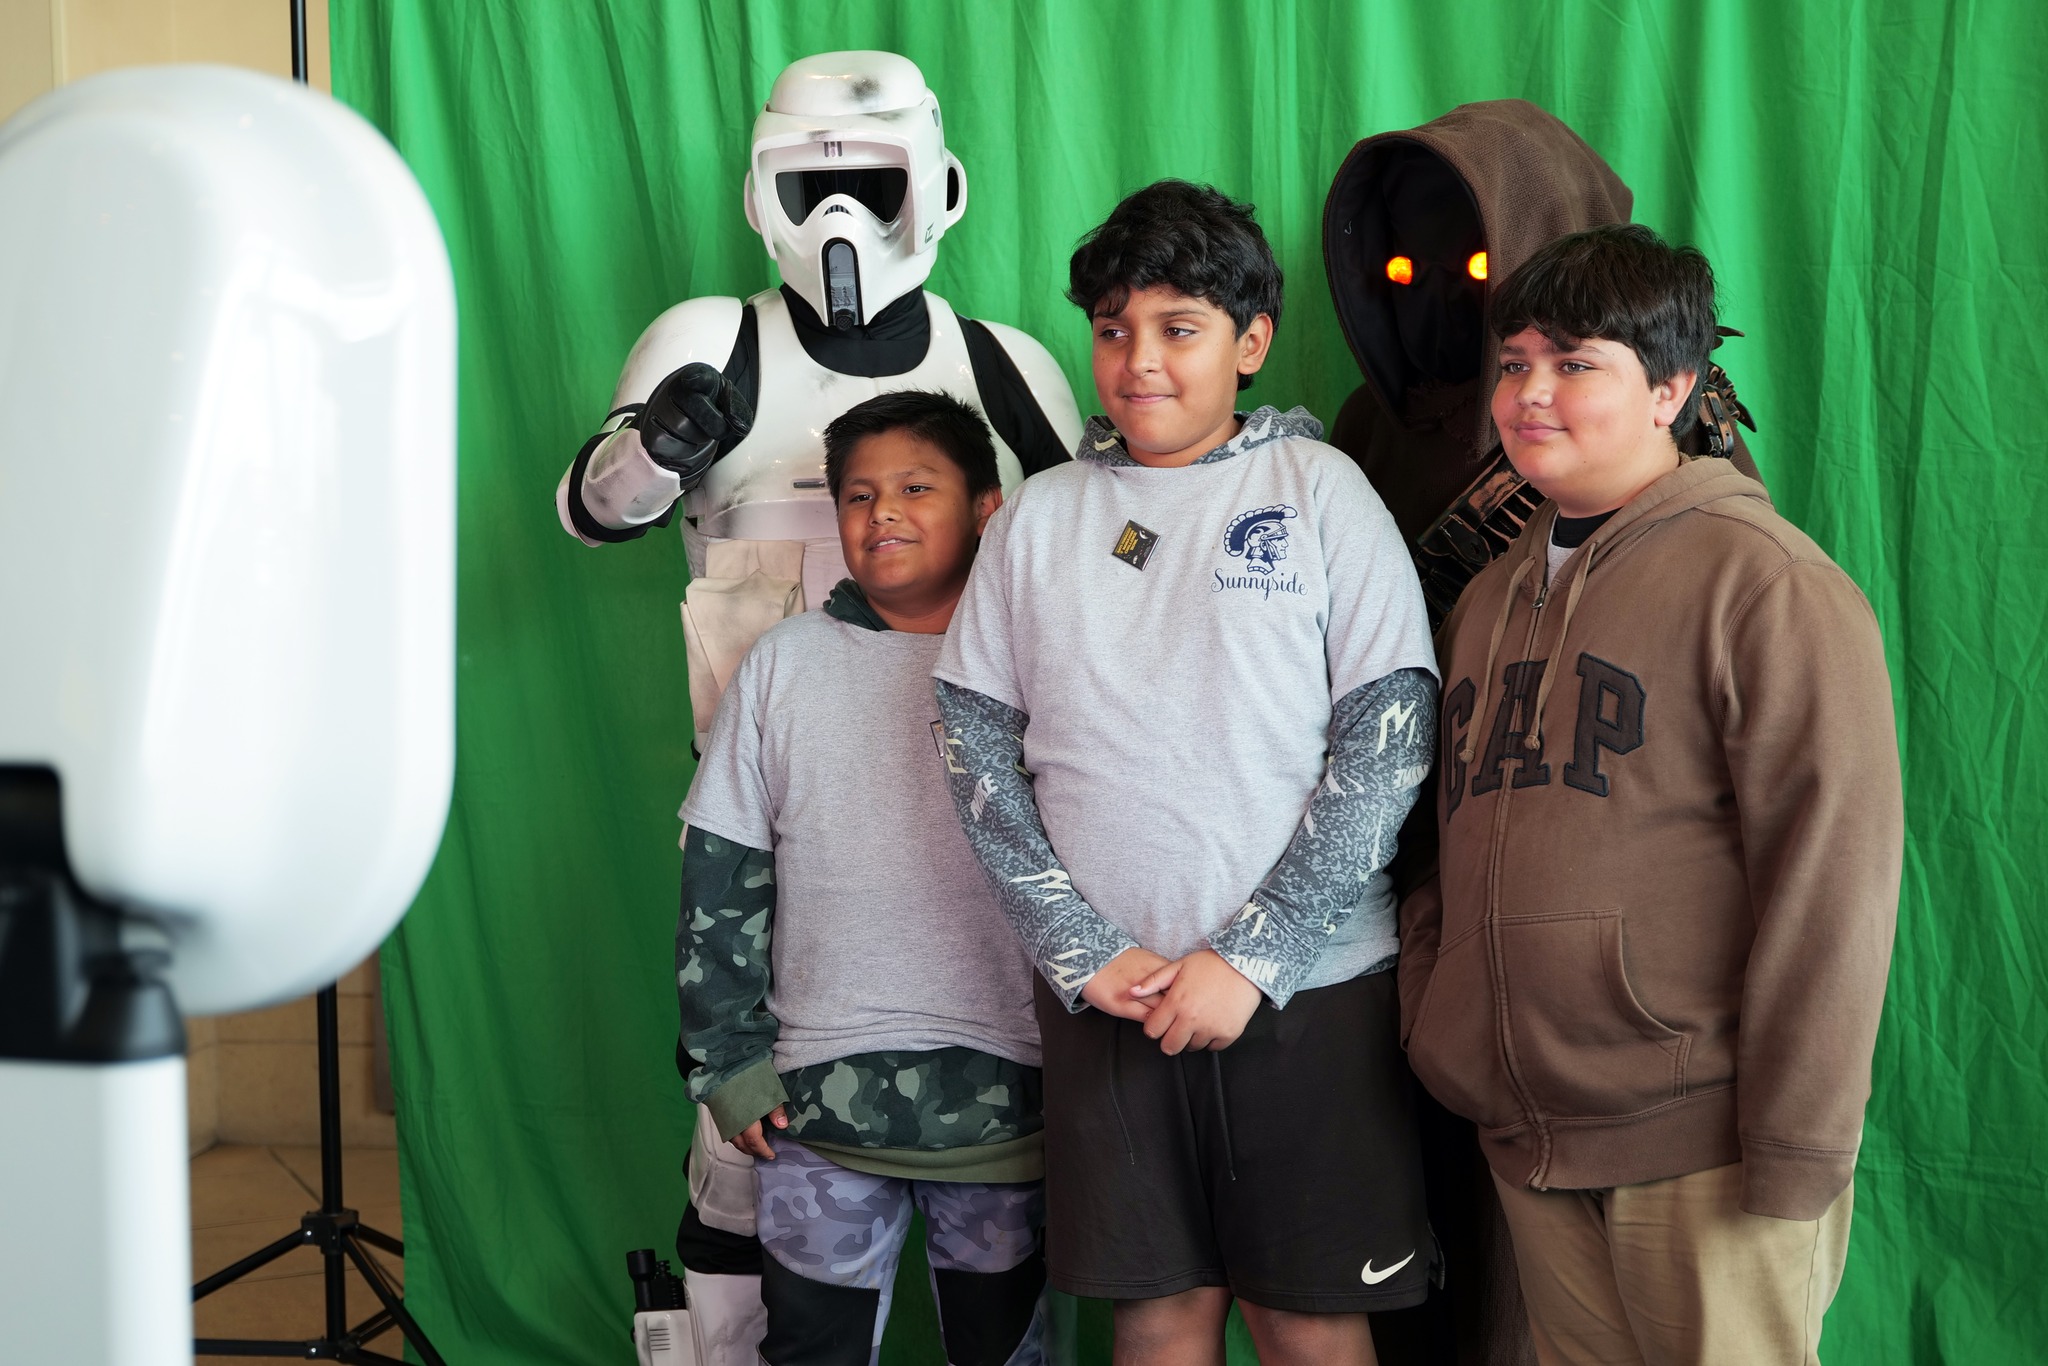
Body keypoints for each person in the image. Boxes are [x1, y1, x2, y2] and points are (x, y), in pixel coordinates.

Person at [553, 51, 1080, 1358]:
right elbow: (593, 511)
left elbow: (1092, 571)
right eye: (812, 185)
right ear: (761, 192)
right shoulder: (707, 341)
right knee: (742, 1166)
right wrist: (659, 444)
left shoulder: (1003, 364)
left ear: (939, 190)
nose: (840, 219)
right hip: (760, 805)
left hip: (976, 826)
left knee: (1008, 1209)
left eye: (869, 183)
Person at [935, 180, 1439, 1366]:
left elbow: (1388, 735)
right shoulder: (1039, 520)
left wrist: (1251, 957)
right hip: (1111, 1001)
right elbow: (971, 746)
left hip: (1310, 997)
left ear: (1248, 342)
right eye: (1112, 329)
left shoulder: (1319, 494)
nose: (1137, 361)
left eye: (1177, 328)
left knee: (1308, 1318)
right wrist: (1081, 949)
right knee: (1157, 1317)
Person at [1402, 222, 1902, 1365]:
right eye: (1516, 362)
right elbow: (1445, 837)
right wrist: (1443, 1016)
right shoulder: (1486, 601)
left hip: (1706, 1149)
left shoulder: (1765, 583)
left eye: (1575, 363)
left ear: (1671, 386)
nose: (1530, 392)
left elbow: (1832, 885)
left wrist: (1793, 1146)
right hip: (1532, 1137)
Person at [677, 389, 1049, 1366]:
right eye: (856, 494)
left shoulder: (1040, 661)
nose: (880, 512)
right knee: (810, 1351)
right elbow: (722, 872)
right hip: (816, 1107)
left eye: (914, 487)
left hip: (1011, 1096)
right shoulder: (783, 666)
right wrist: (726, 1060)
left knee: (1010, 1353)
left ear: (985, 508)